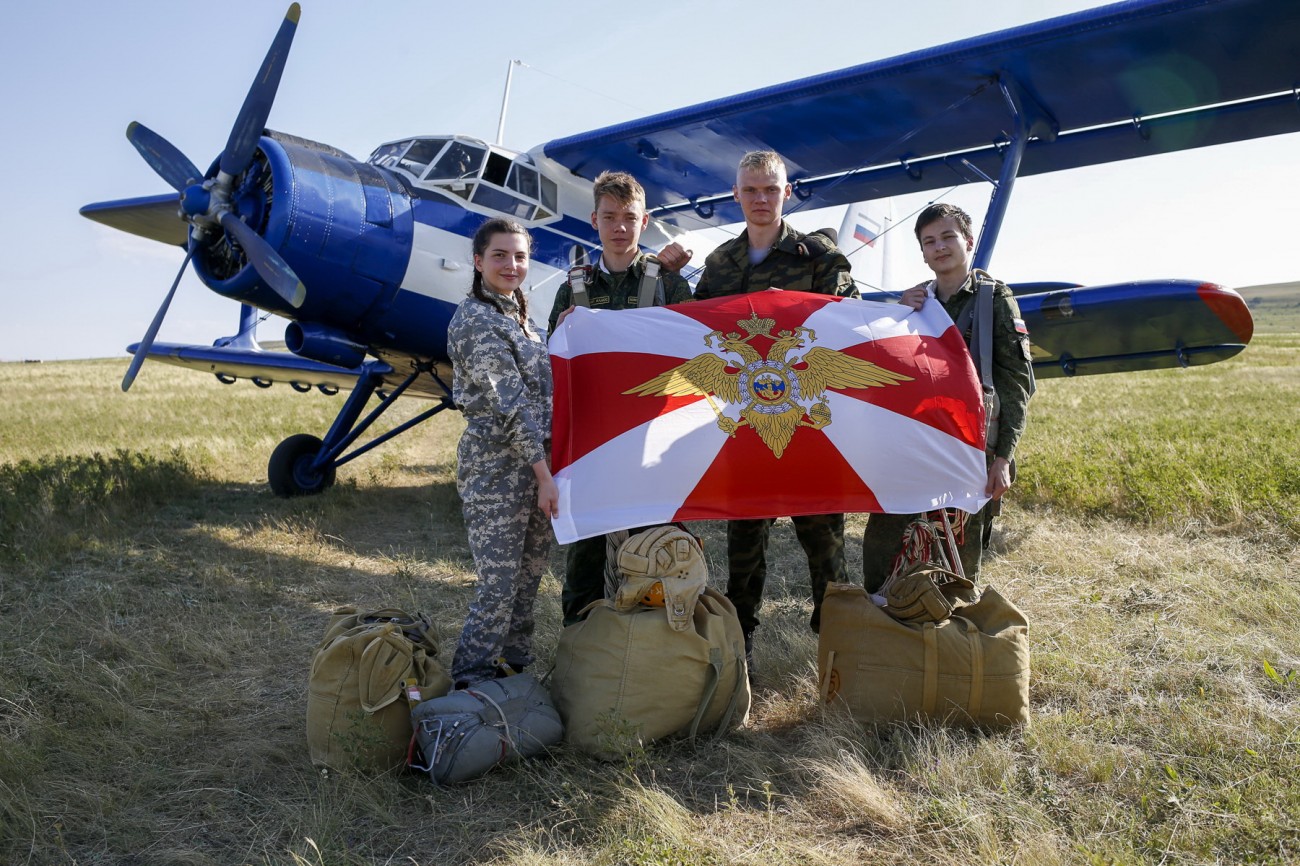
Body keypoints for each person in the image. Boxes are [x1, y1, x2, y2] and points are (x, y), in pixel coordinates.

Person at [692, 150, 859, 664]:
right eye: (750, 189)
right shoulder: (719, 263)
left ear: (787, 193)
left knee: (826, 551)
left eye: (771, 189)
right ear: (737, 195)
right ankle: (737, 660)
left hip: (808, 423)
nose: (760, 199)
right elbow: (693, 334)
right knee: (742, 552)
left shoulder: (820, 259)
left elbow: (851, 328)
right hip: (744, 429)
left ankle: (844, 657)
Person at [861, 202, 1035, 591]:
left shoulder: (995, 300)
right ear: (922, 253)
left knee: (959, 553)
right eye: (929, 241)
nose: (939, 247)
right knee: (884, 545)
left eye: (948, 237)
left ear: (968, 241)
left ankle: (951, 636)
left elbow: (1015, 383)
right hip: (915, 440)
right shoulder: (916, 303)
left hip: (971, 445)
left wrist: (1004, 457)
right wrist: (896, 318)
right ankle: (885, 624)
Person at [549, 170, 694, 626]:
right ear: (594, 219)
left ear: (644, 221)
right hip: (594, 438)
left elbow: (693, 355)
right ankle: (582, 640)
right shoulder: (573, 288)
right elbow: (555, 361)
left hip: (654, 435)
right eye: (609, 217)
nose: (619, 227)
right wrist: (563, 328)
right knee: (588, 549)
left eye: (629, 218)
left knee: (660, 542)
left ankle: (666, 638)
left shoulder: (670, 286)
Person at [446, 217, 559, 688]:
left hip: (533, 468)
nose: (511, 265)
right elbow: (510, 405)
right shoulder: (476, 321)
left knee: (527, 582)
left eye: (519, 256)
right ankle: (468, 688)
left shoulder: (521, 319)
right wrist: (545, 474)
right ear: (478, 261)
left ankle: (513, 678)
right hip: (497, 471)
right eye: (499, 255)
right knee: (498, 587)